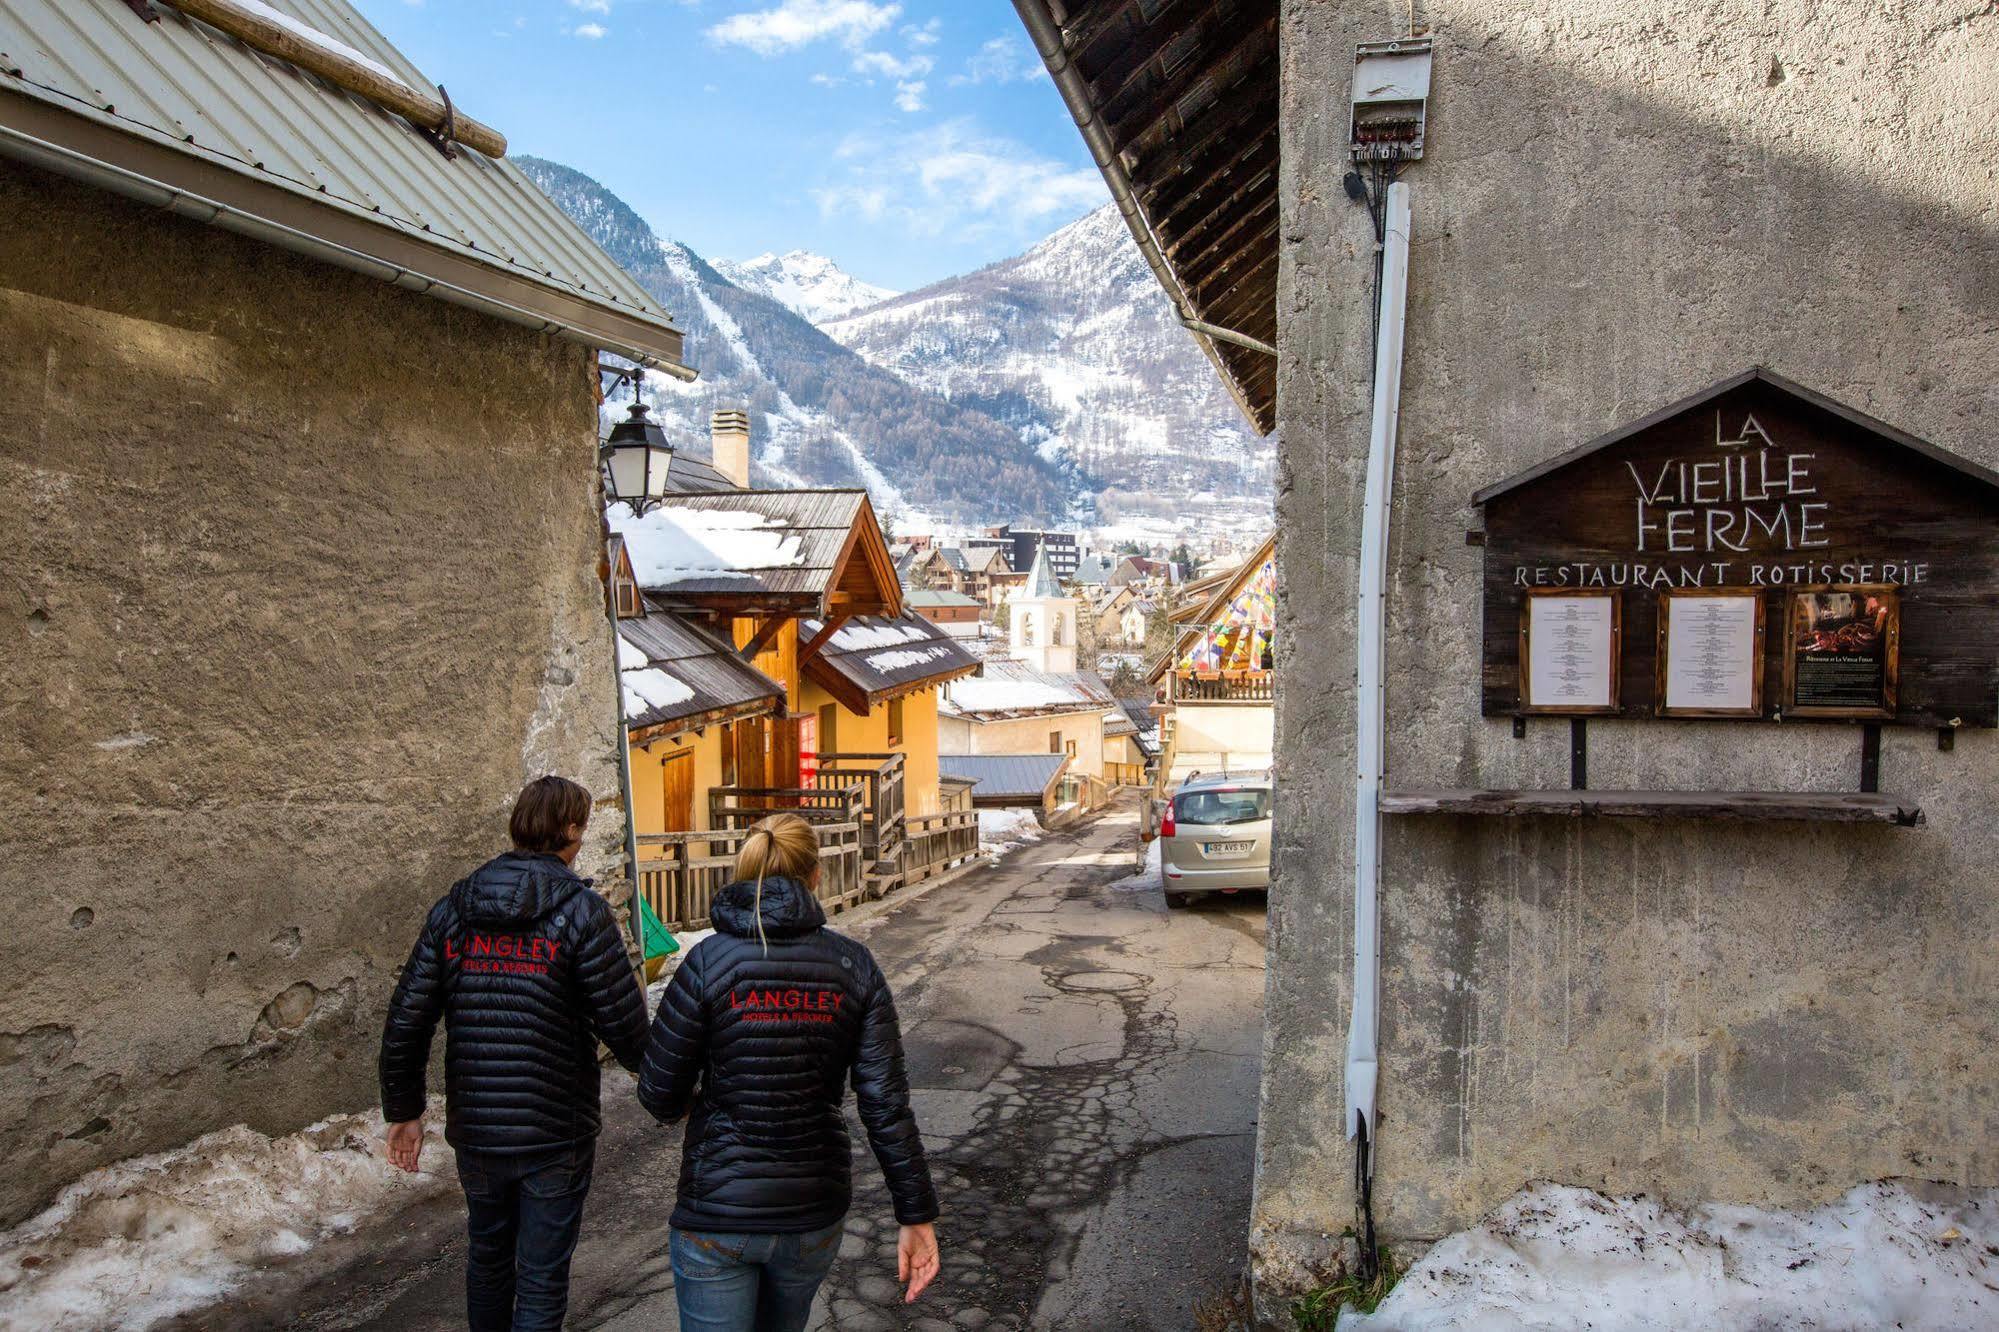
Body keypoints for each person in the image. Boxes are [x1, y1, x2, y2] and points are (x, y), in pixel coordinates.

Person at [637, 813, 941, 1331]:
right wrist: (916, 1214)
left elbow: (659, 1094)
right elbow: (885, 1103)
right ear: (816, 876)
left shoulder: (707, 962)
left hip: (718, 1212)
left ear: (743, 872)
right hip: (811, 1211)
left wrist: (707, 1096)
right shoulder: (854, 965)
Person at [378, 775, 649, 1332]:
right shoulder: (581, 913)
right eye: (583, 824)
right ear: (570, 828)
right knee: (542, 1274)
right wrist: (672, 1088)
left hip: (479, 1129)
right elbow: (625, 1026)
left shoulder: (455, 909)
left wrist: (404, 1110)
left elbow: (409, 1016)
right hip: (556, 1130)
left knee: (489, 1259)